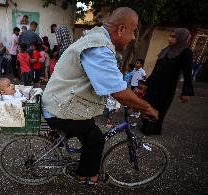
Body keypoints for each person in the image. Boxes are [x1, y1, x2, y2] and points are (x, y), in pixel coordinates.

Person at [42, 7, 158, 185]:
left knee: (89, 130)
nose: (134, 37)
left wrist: (132, 100)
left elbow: (113, 83)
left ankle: (81, 163)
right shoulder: (99, 48)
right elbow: (119, 92)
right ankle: (86, 176)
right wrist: (147, 107)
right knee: (95, 139)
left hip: (60, 102)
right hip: (61, 108)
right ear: (120, 29)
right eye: (133, 31)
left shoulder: (96, 38)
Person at [140, 28, 194, 135]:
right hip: (154, 84)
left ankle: (153, 129)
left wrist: (186, 92)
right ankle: (145, 124)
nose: (170, 39)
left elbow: (187, 73)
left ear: (181, 38)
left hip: (166, 87)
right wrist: (147, 83)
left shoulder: (185, 52)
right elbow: (156, 69)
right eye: (170, 36)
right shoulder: (166, 50)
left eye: (174, 37)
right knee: (148, 104)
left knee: (159, 106)